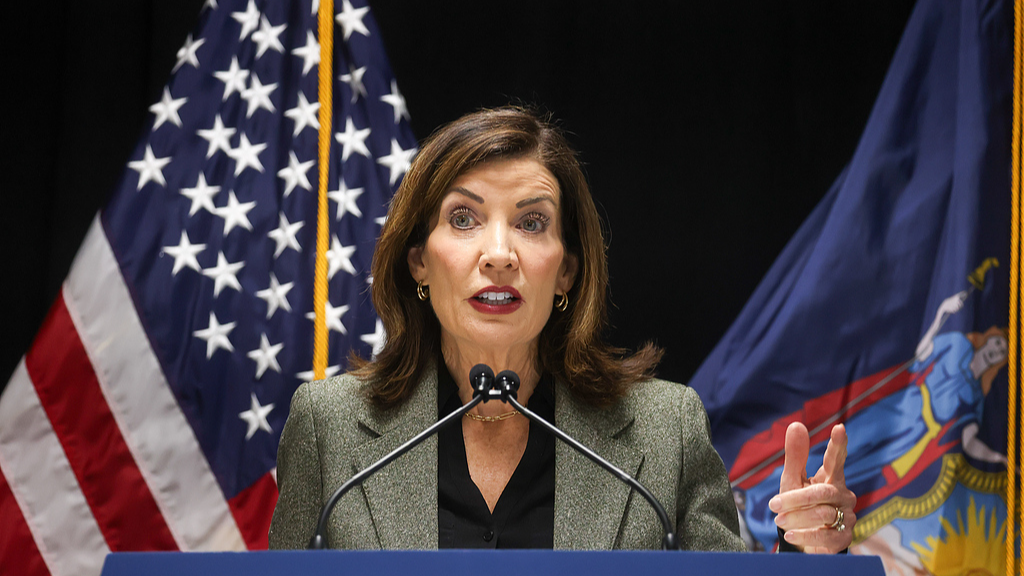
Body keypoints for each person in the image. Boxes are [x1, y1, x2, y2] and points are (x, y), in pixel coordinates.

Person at [268, 106, 855, 552]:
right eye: (464, 218)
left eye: (531, 222)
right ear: (419, 259)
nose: (499, 253)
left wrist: (804, 553)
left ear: (567, 270)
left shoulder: (664, 429)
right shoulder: (331, 426)